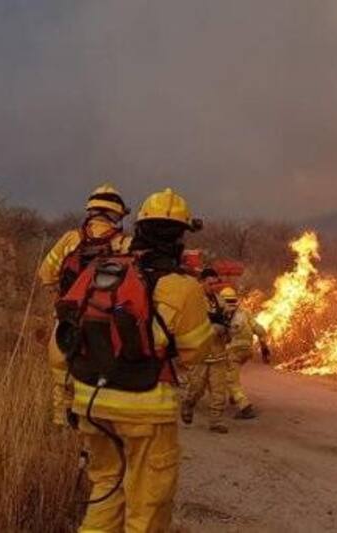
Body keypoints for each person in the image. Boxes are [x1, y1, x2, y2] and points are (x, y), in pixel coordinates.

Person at [55, 188, 216, 532]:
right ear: (180, 236)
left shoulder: (101, 271)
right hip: (146, 410)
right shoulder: (182, 288)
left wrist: (65, 396)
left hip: (90, 403)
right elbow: (195, 351)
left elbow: (64, 338)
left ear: (139, 227)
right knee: (147, 505)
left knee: (105, 491)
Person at [40, 184, 133, 427]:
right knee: (96, 378)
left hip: (66, 319)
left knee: (61, 374)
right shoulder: (123, 244)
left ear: (90, 211)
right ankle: (89, 427)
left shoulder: (71, 240)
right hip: (104, 322)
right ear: (118, 215)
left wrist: (59, 300)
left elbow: (45, 274)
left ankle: (61, 423)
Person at [217, 286, 271, 420]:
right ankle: (233, 396)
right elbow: (260, 330)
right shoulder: (245, 312)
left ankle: (245, 407)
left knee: (231, 380)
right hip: (247, 351)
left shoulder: (223, 315)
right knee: (231, 372)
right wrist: (264, 348)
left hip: (233, 351)